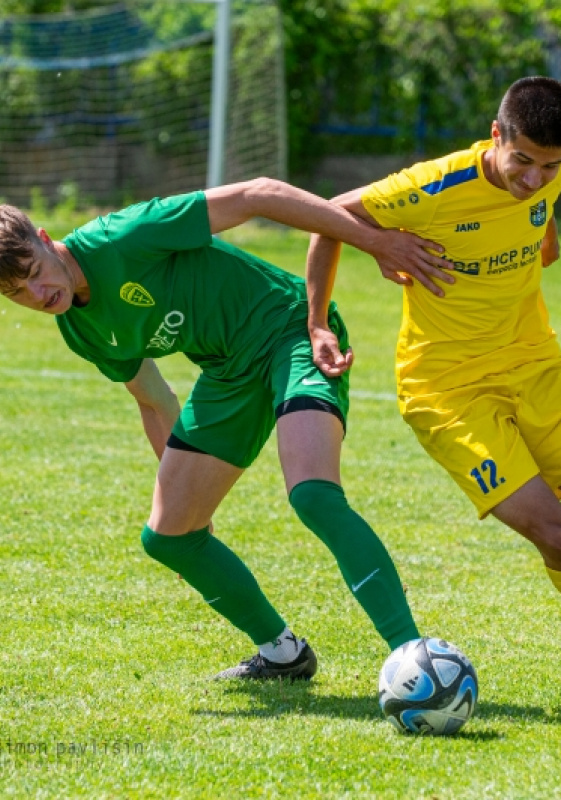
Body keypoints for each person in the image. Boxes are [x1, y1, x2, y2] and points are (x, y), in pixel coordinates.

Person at [305, 76, 561, 712]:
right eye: (522, 159)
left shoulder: (551, 177)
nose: (534, 177)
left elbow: (541, 234)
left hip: (533, 367)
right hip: (447, 389)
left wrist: (535, 236)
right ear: (496, 135)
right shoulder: (432, 186)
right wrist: (366, 259)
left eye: (549, 165)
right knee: (558, 537)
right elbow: (326, 217)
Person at [0, 177, 452, 680]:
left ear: (44, 238)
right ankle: (283, 653)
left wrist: (375, 241)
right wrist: (188, 492)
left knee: (313, 495)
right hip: (227, 372)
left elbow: (257, 194)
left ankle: (418, 659)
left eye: (36, 274)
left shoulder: (122, 237)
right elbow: (153, 400)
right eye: (17, 293)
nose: (38, 294)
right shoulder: (79, 329)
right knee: (170, 537)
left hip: (290, 331)